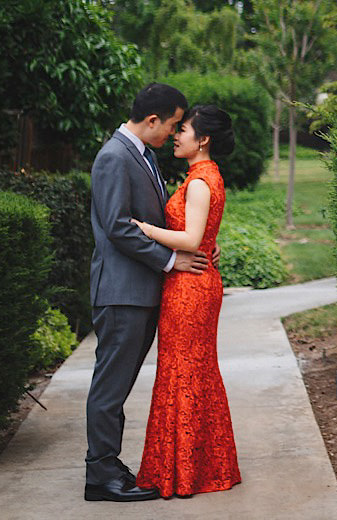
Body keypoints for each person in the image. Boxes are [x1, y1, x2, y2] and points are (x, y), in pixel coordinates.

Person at [84, 83, 213, 503]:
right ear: (152, 120)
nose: (173, 133)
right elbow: (118, 225)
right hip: (122, 294)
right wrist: (170, 261)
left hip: (139, 293)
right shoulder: (113, 157)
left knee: (118, 385)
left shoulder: (143, 156)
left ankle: (107, 462)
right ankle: (100, 476)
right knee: (111, 386)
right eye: (173, 125)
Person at [129, 103, 242, 499]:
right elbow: (204, 237)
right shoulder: (207, 175)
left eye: (185, 130)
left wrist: (146, 229)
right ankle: (201, 466)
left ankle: (184, 472)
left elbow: (192, 240)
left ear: (203, 139)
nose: (177, 135)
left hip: (190, 287)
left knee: (184, 373)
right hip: (197, 281)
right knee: (195, 371)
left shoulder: (198, 180)